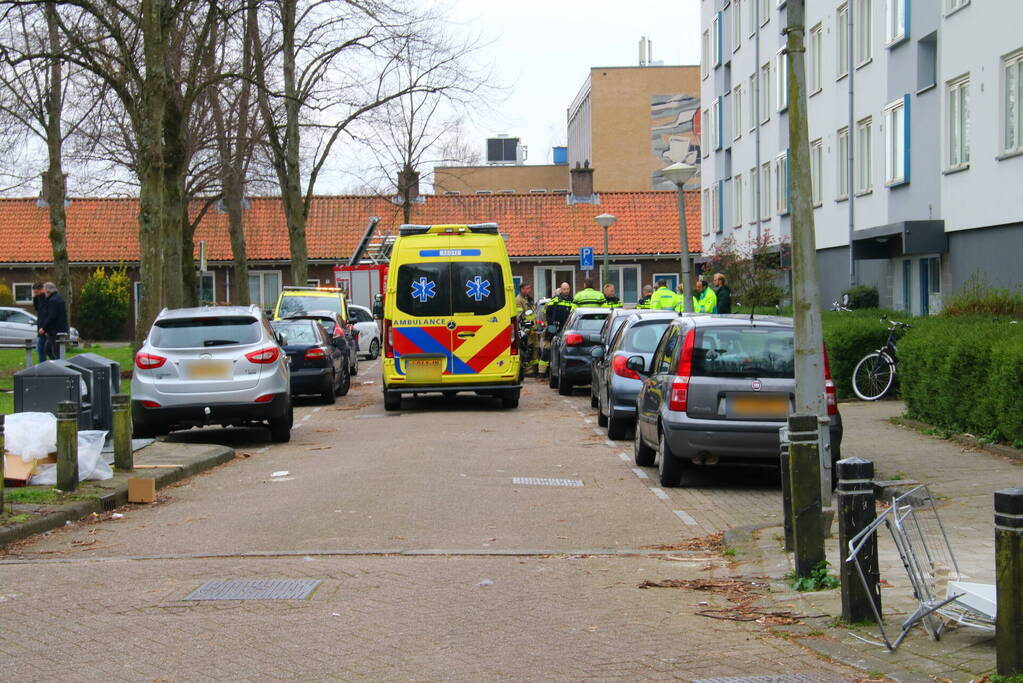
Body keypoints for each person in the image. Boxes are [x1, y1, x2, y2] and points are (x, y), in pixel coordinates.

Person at [539, 282, 573, 377]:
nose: (566, 291)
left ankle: (556, 372)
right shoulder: (555, 300)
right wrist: (550, 325)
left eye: (567, 289)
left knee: (560, 352)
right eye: (564, 289)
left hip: (565, 331)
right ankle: (541, 373)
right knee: (547, 350)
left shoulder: (572, 301)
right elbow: (547, 313)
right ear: (561, 290)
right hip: (553, 330)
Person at [37, 282, 69, 360]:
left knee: (54, 350)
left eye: (44, 290)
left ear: (48, 291)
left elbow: (51, 316)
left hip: (55, 331)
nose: (43, 292)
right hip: (60, 329)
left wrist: (43, 328)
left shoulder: (52, 301)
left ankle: (59, 366)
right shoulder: (59, 298)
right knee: (48, 349)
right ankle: (56, 364)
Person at [515, 283, 539, 376]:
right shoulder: (518, 300)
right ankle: (527, 371)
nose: (529, 290)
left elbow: (532, 315)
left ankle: (534, 370)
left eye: (530, 288)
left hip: (533, 330)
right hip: (526, 330)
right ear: (522, 289)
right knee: (527, 350)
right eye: (527, 288)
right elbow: (519, 316)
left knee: (535, 349)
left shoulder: (527, 299)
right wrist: (525, 328)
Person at [31, 282, 47, 363]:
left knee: (44, 349)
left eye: (37, 292)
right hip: (40, 328)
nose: (36, 294)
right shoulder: (38, 299)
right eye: (34, 292)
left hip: (45, 328)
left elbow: (46, 314)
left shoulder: (46, 299)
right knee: (40, 349)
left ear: (42, 290)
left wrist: (44, 327)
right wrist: (35, 298)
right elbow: (38, 310)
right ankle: (43, 365)